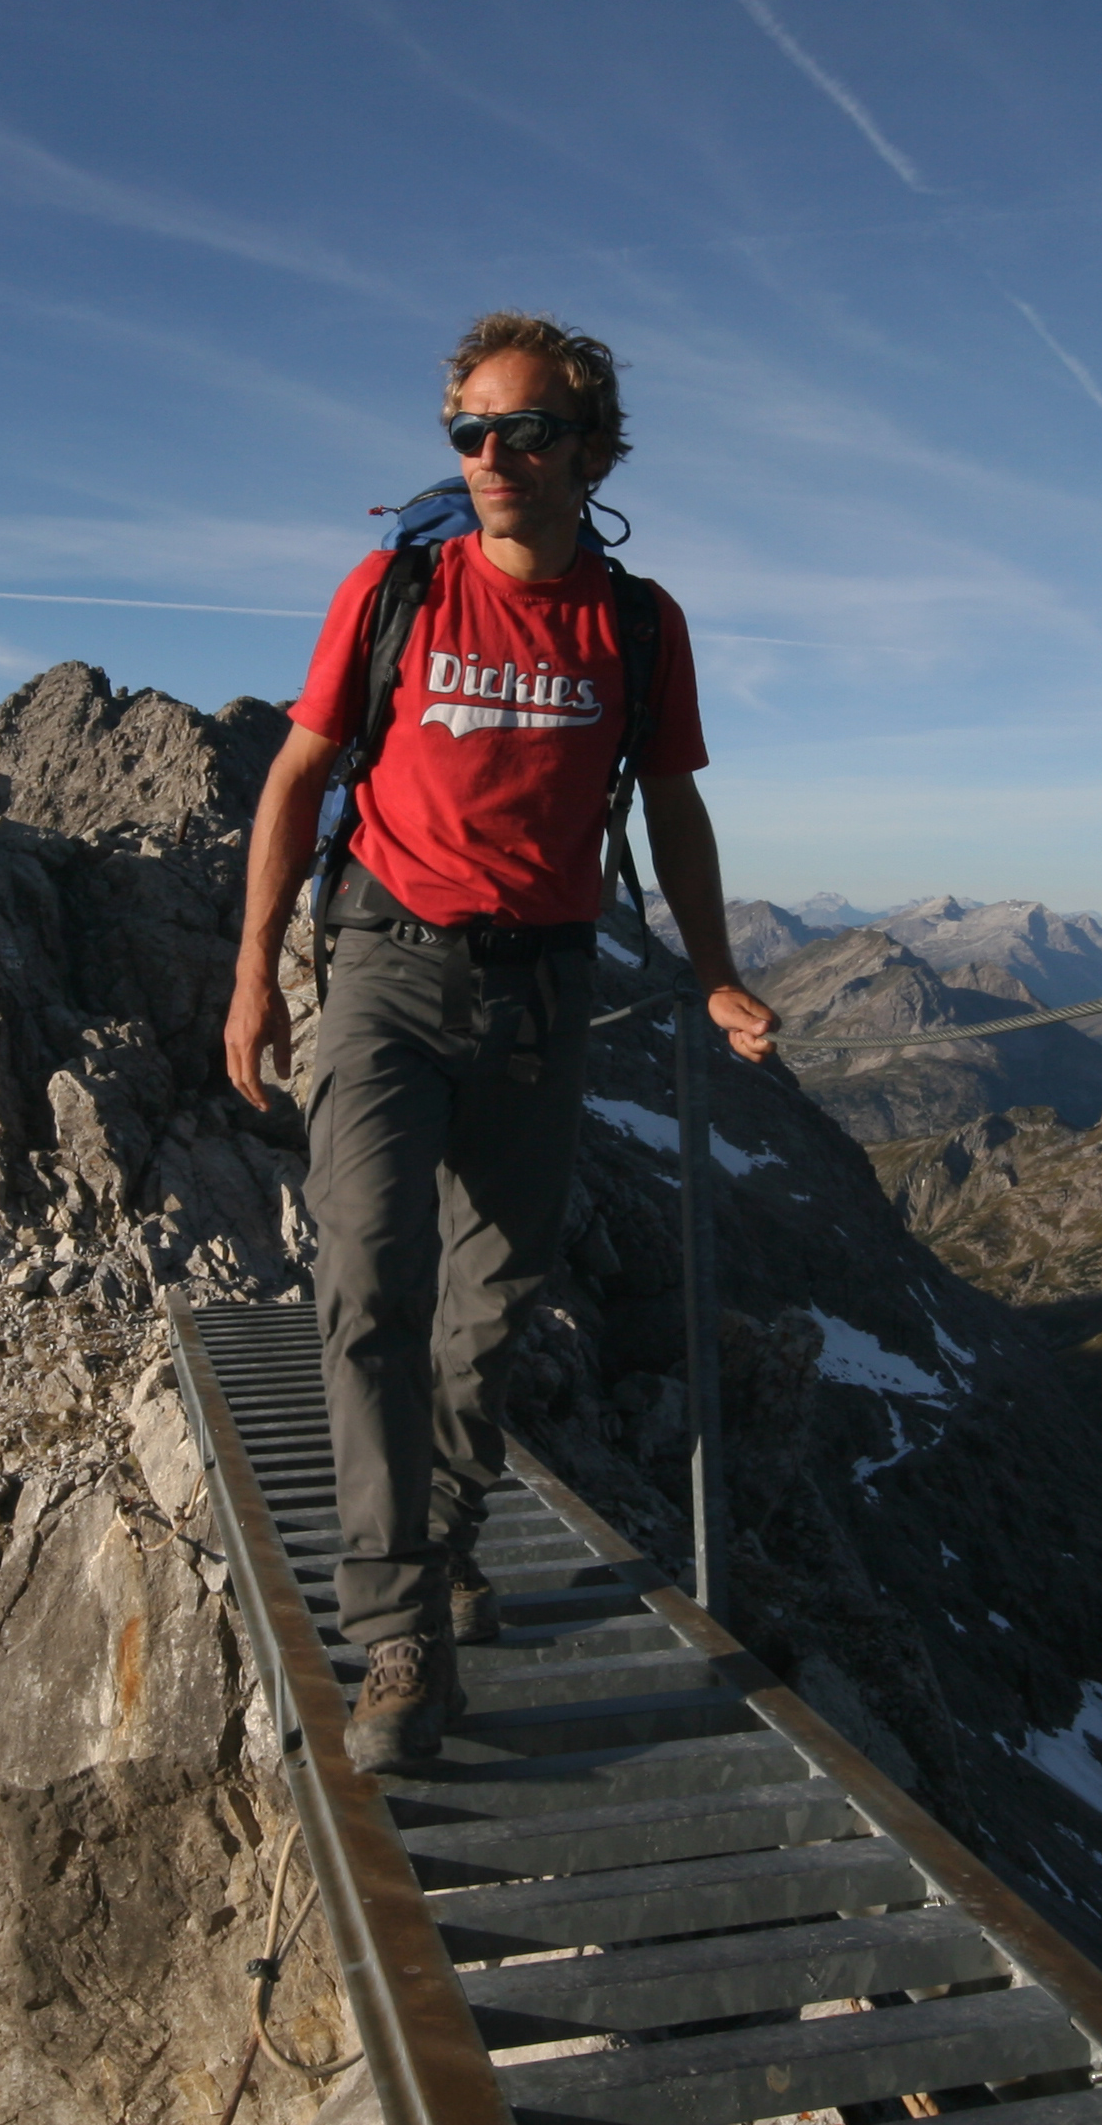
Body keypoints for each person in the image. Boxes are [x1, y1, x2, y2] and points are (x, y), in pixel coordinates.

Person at [225, 312, 776, 1772]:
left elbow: (672, 807)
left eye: (523, 432)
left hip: (542, 993)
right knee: (368, 1288)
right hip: (383, 972)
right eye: (467, 431)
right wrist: (255, 977)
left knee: (495, 1303)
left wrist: (712, 972)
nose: (490, 458)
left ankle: (451, 1531)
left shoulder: (638, 625)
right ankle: (397, 1633)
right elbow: (297, 776)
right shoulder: (397, 587)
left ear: (593, 450)